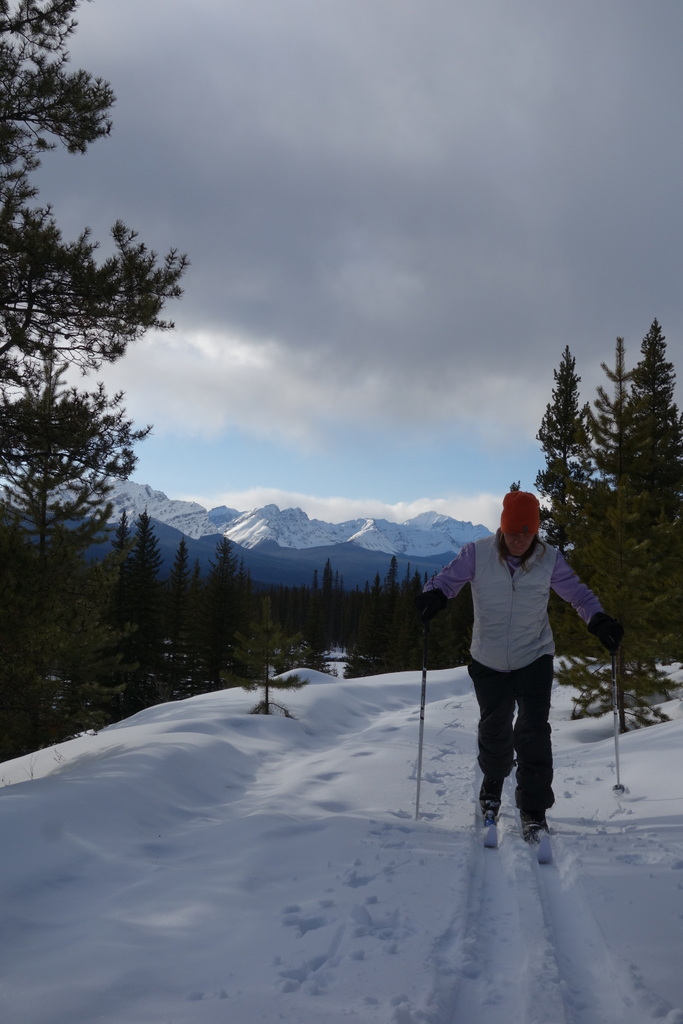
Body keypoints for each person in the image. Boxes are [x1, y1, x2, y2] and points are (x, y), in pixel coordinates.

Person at [414, 490, 623, 840]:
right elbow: (446, 581)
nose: (518, 539)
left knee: (533, 732)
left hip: (534, 655)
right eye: (512, 532)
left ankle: (533, 809)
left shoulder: (549, 560)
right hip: (488, 658)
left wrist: (598, 620)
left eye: (526, 533)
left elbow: (579, 595)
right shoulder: (476, 553)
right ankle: (492, 790)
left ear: (536, 531)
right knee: (494, 731)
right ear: (502, 528)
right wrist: (433, 596)